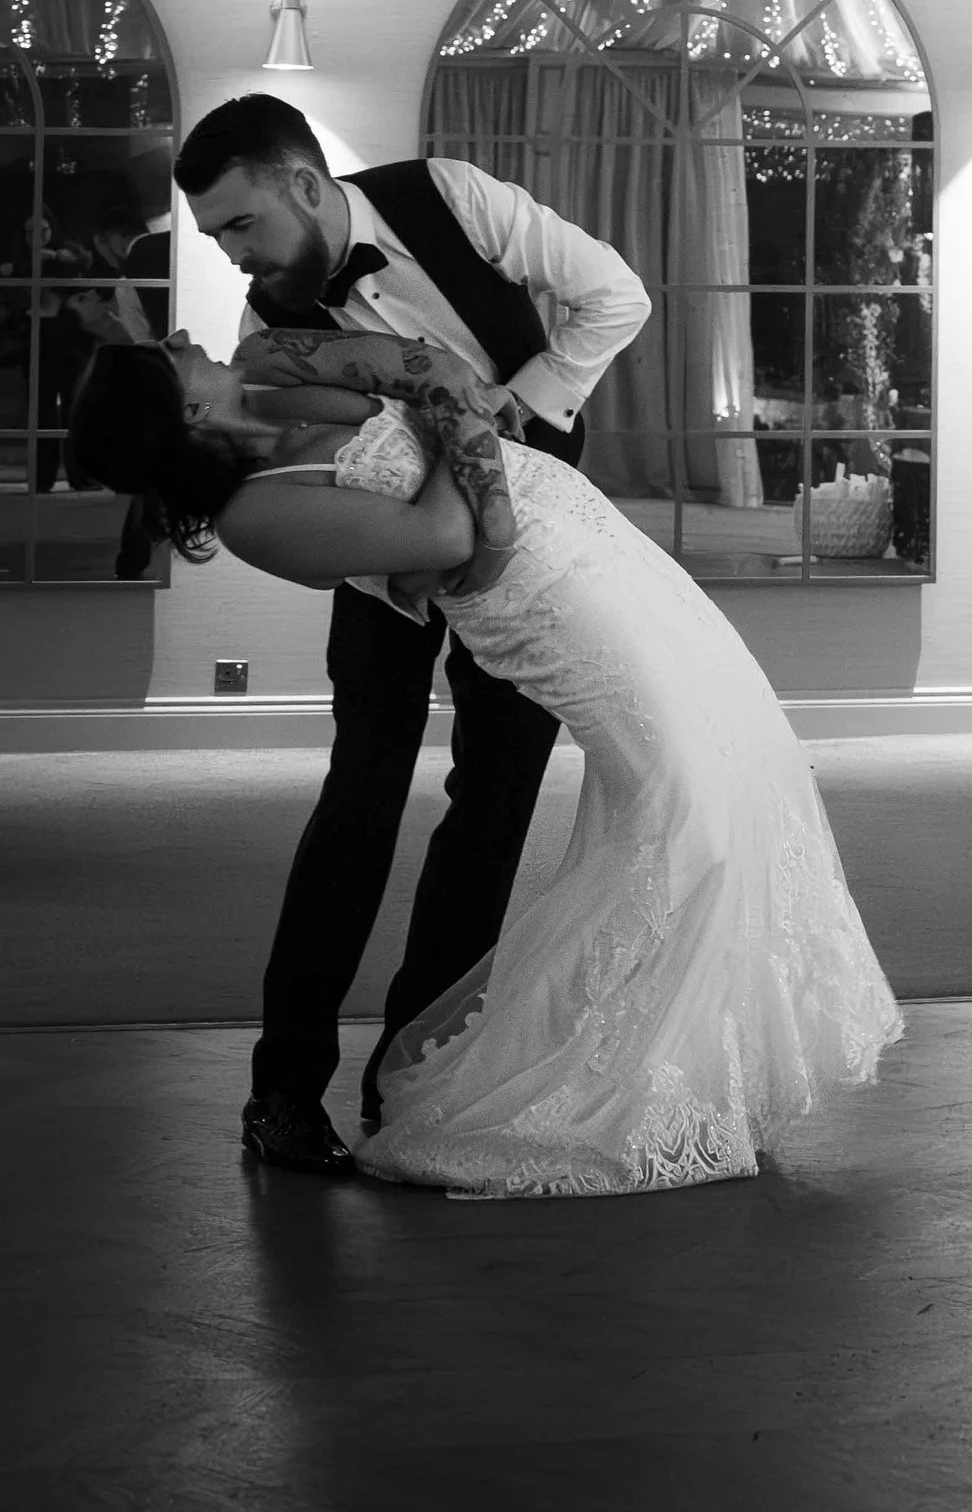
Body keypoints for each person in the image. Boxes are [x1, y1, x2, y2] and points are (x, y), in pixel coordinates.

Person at [68, 337, 901, 1194]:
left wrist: (451, 413)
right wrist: (456, 423)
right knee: (686, 798)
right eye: (167, 360)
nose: (182, 339)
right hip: (544, 598)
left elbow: (432, 370)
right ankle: (631, 1078)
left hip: (580, 531)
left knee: (737, 741)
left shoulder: (270, 380)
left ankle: (714, 1074)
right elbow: (443, 525)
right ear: (187, 412)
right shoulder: (254, 515)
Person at [172, 95, 655, 1176]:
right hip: (384, 557)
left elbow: (613, 294)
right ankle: (281, 1094)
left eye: (241, 226)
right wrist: (410, 555)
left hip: (530, 549)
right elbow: (303, 479)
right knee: (361, 792)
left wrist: (527, 403)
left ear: (303, 184)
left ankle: (417, 1074)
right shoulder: (265, 330)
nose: (234, 256)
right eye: (215, 238)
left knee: (493, 803)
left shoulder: (451, 197)